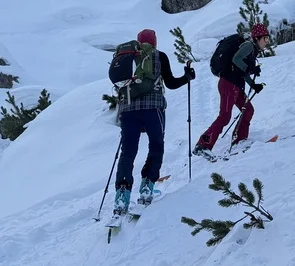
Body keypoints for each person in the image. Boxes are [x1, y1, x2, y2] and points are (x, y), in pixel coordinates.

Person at [109, 29, 194, 217]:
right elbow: (170, 83)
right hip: (153, 109)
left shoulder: (128, 58)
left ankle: (122, 194)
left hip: (128, 110)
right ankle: (147, 185)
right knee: (156, 145)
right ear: (154, 42)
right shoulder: (159, 56)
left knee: (128, 151)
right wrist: (187, 77)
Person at [194, 23, 270, 156]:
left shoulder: (252, 50)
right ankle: (202, 145)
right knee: (224, 117)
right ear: (257, 38)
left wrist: (253, 84)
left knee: (248, 110)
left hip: (235, 85)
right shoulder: (249, 46)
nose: (267, 42)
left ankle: (239, 140)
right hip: (228, 84)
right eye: (265, 38)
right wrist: (250, 69)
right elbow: (236, 60)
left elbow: (240, 71)